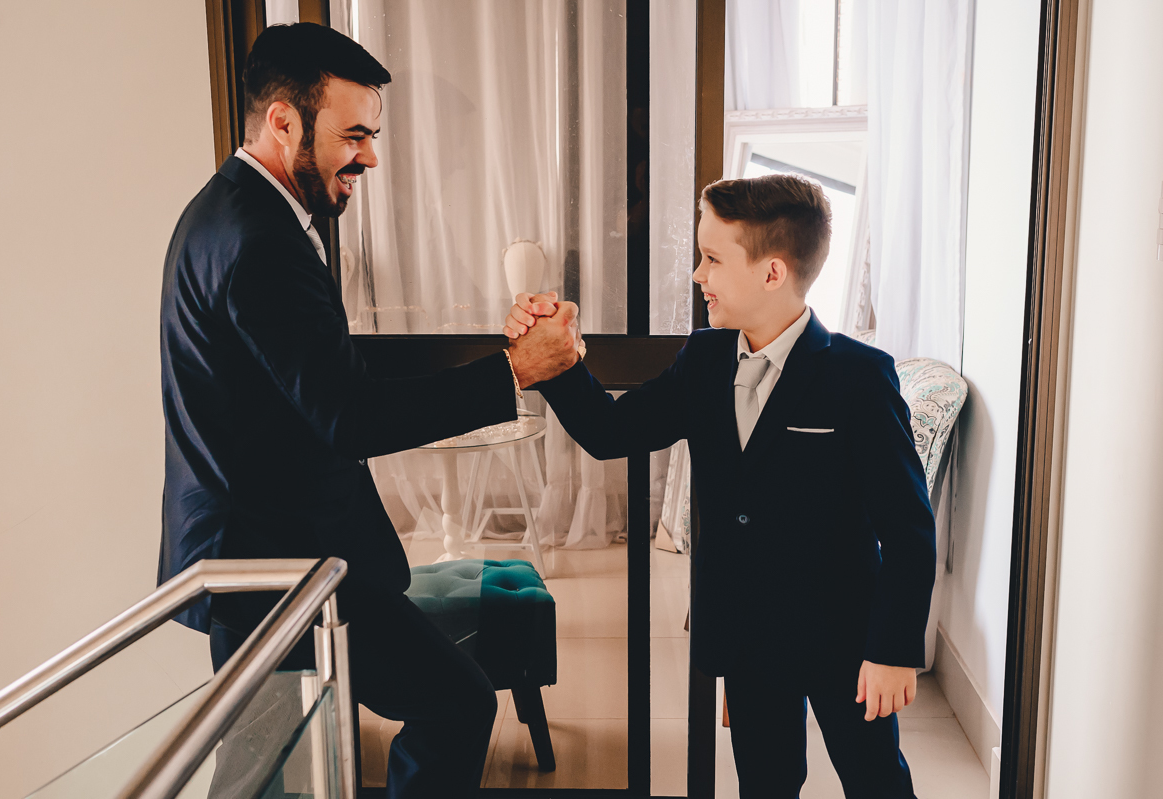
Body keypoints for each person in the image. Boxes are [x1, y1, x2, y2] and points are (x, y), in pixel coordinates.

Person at [158, 23, 579, 797]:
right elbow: (349, 414)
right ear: (284, 122)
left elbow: (314, 374)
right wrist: (517, 368)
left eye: (372, 137)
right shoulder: (259, 238)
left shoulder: (236, 211)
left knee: (271, 765)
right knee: (415, 716)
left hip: (281, 555)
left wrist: (497, 355)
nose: (370, 158)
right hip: (276, 566)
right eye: (353, 136)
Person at [505, 174, 937, 798]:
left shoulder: (859, 376)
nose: (697, 275)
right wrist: (557, 361)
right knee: (765, 781)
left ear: (773, 273)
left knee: (875, 780)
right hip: (747, 636)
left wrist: (892, 650)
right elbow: (609, 431)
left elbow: (907, 527)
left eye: (712, 259)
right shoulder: (704, 360)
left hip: (842, 637)